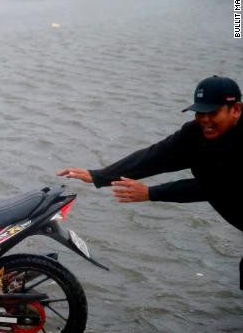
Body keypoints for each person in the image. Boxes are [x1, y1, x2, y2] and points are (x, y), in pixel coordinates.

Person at [57, 75, 241, 286]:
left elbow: (215, 186)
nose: (205, 120)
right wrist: (99, 176)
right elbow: (155, 156)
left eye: (213, 112)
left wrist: (152, 193)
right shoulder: (195, 133)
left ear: (236, 109)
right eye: (200, 112)